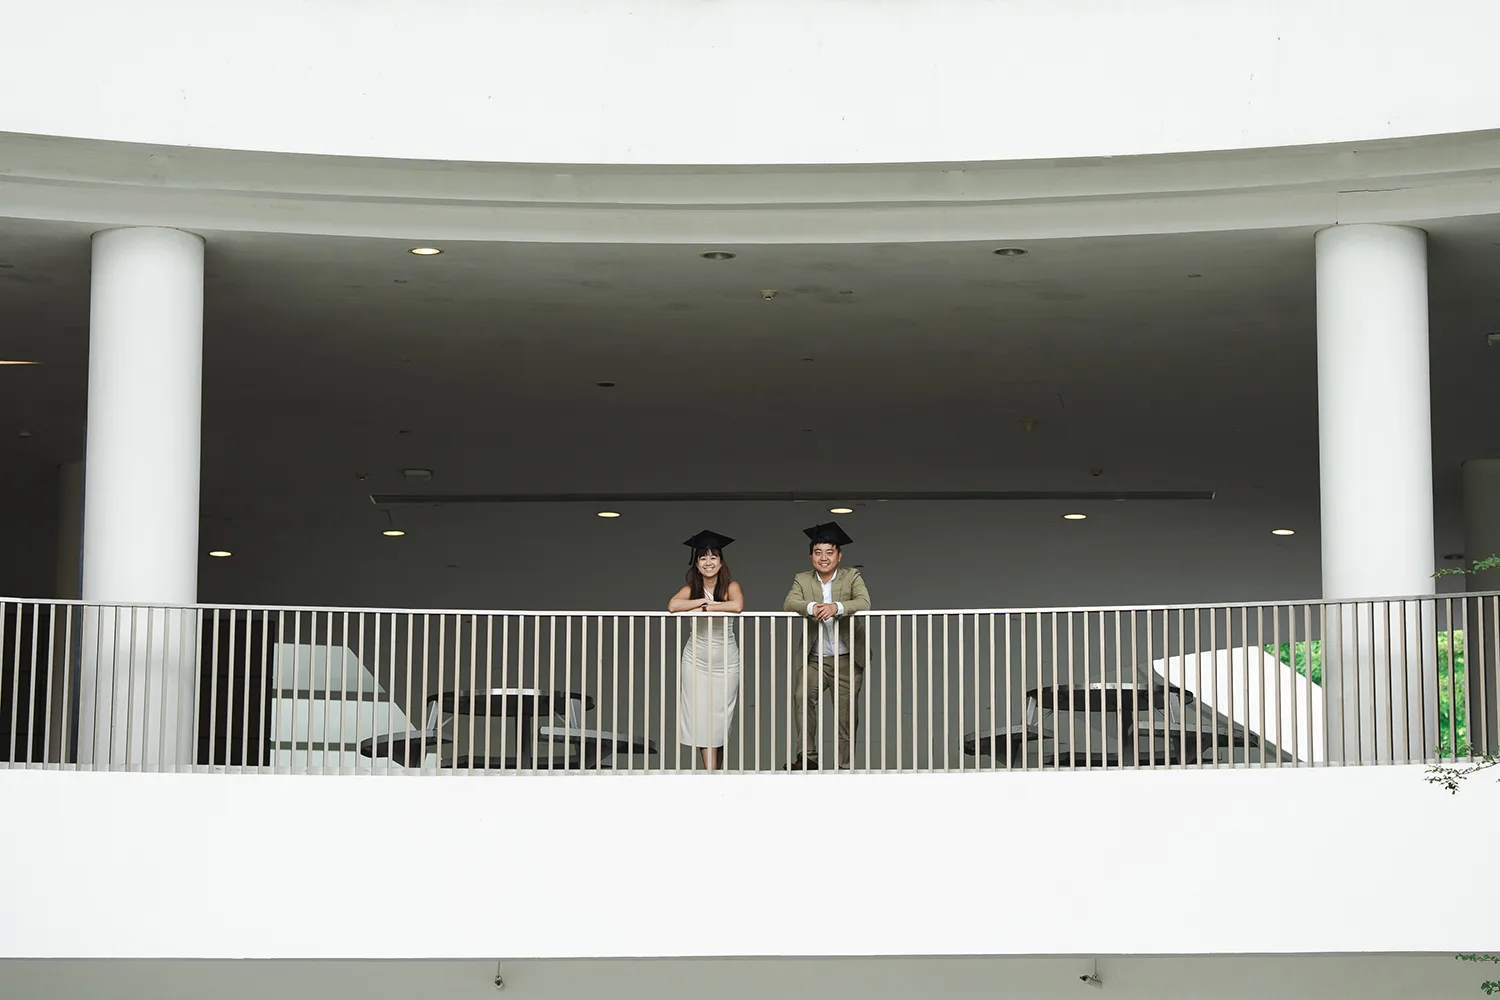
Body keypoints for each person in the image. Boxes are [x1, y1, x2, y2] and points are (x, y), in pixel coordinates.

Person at [782, 521, 870, 770]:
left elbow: (864, 602)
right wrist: (812, 608)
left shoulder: (852, 576)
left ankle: (845, 764)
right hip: (815, 658)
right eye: (818, 552)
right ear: (811, 556)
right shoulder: (802, 579)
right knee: (802, 696)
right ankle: (808, 757)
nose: (824, 558)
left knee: (846, 714)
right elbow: (790, 602)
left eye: (829, 552)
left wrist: (836, 608)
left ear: (839, 556)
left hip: (846, 658)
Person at [668, 529, 744, 770]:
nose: (708, 562)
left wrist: (706, 607)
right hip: (696, 661)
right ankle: (711, 774)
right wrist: (702, 603)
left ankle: (715, 772)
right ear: (697, 564)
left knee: (720, 718)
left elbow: (737, 605)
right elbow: (673, 606)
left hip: (727, 661)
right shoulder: (692, 588)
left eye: (713, 557)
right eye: (703, 558)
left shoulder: (731, 585)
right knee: (702, 716)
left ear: (721, 562)